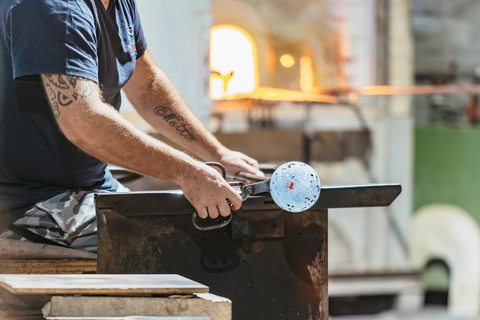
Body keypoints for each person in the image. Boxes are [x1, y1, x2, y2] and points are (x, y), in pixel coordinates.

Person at [0, 0, 262, 251]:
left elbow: (148, 87)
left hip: (92, 187)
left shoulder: (119, 4)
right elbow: (84, 124)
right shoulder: (53, 8)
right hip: (26, 202)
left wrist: (218, 155)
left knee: (218, 227)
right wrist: (189, 173)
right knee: (179, 246)